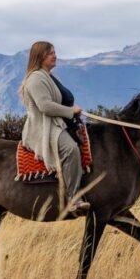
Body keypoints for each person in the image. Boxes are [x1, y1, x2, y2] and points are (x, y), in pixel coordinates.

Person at [19, 41, 89, 215]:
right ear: (41, 56)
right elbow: (45, 106)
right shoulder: (35, 78)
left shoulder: (51, 76)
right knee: (71, 149)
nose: (55, 55)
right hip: (44, 129)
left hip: (58, 124)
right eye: (51, 53)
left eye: (54, 52)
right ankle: (73, 199)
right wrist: (70, 112)